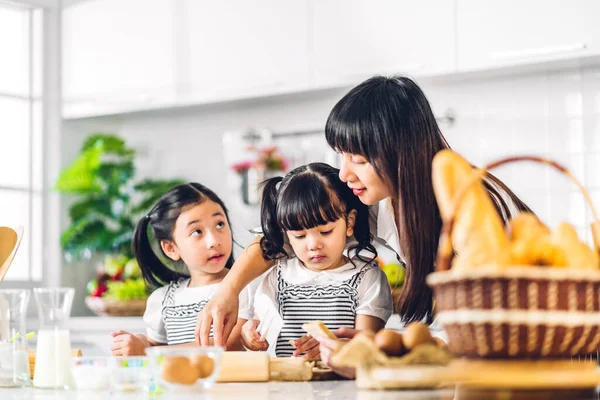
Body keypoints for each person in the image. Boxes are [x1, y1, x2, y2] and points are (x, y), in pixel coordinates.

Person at [194, 76, 529, 371]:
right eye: (342, 155)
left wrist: (390, 351)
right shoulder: (384, 200)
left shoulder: (469, 210)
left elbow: (484, 323)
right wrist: (229, 289)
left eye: (359, 159)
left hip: (523, 358)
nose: (344, 173)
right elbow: (276, 241)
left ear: (401, 153)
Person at [239, 163, 393, 359]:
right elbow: (260, 322)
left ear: (349, 223)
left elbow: (367, 344)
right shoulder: (277, 277)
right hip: (286, 385)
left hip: (344, 385)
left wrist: (335, 348)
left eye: (326, 232)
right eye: (300, 236)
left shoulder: (367, 279)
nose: (313, 245)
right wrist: (251, 331)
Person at [110, 183, 253, 356]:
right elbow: (154, 342)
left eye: (220, 224)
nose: (214, 240)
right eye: (197, 231)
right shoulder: (163, 300)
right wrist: (137, 342)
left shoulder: (242, 287)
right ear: (171, 248)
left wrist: (147, 352)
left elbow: (226, 344)